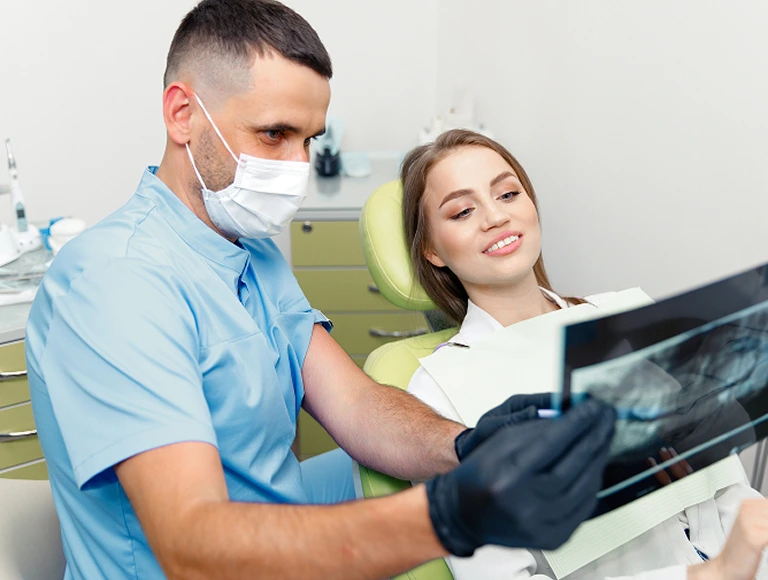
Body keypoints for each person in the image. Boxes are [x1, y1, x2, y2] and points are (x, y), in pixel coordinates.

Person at [24, 2, 617, 578]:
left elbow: (357, 407)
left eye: (308, 139)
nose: (296, 165)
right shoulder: (116, 283)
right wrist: (447, 515)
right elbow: (193, 548)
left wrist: (468, 444)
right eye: (274, 133)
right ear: (183, 114)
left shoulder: (249, 253)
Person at [401, 128, 768, 580]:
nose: (495, 216)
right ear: (432, 250)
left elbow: (730, 490)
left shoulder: (626, 315)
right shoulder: (439, 393)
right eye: (462, 211)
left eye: (509, 193)